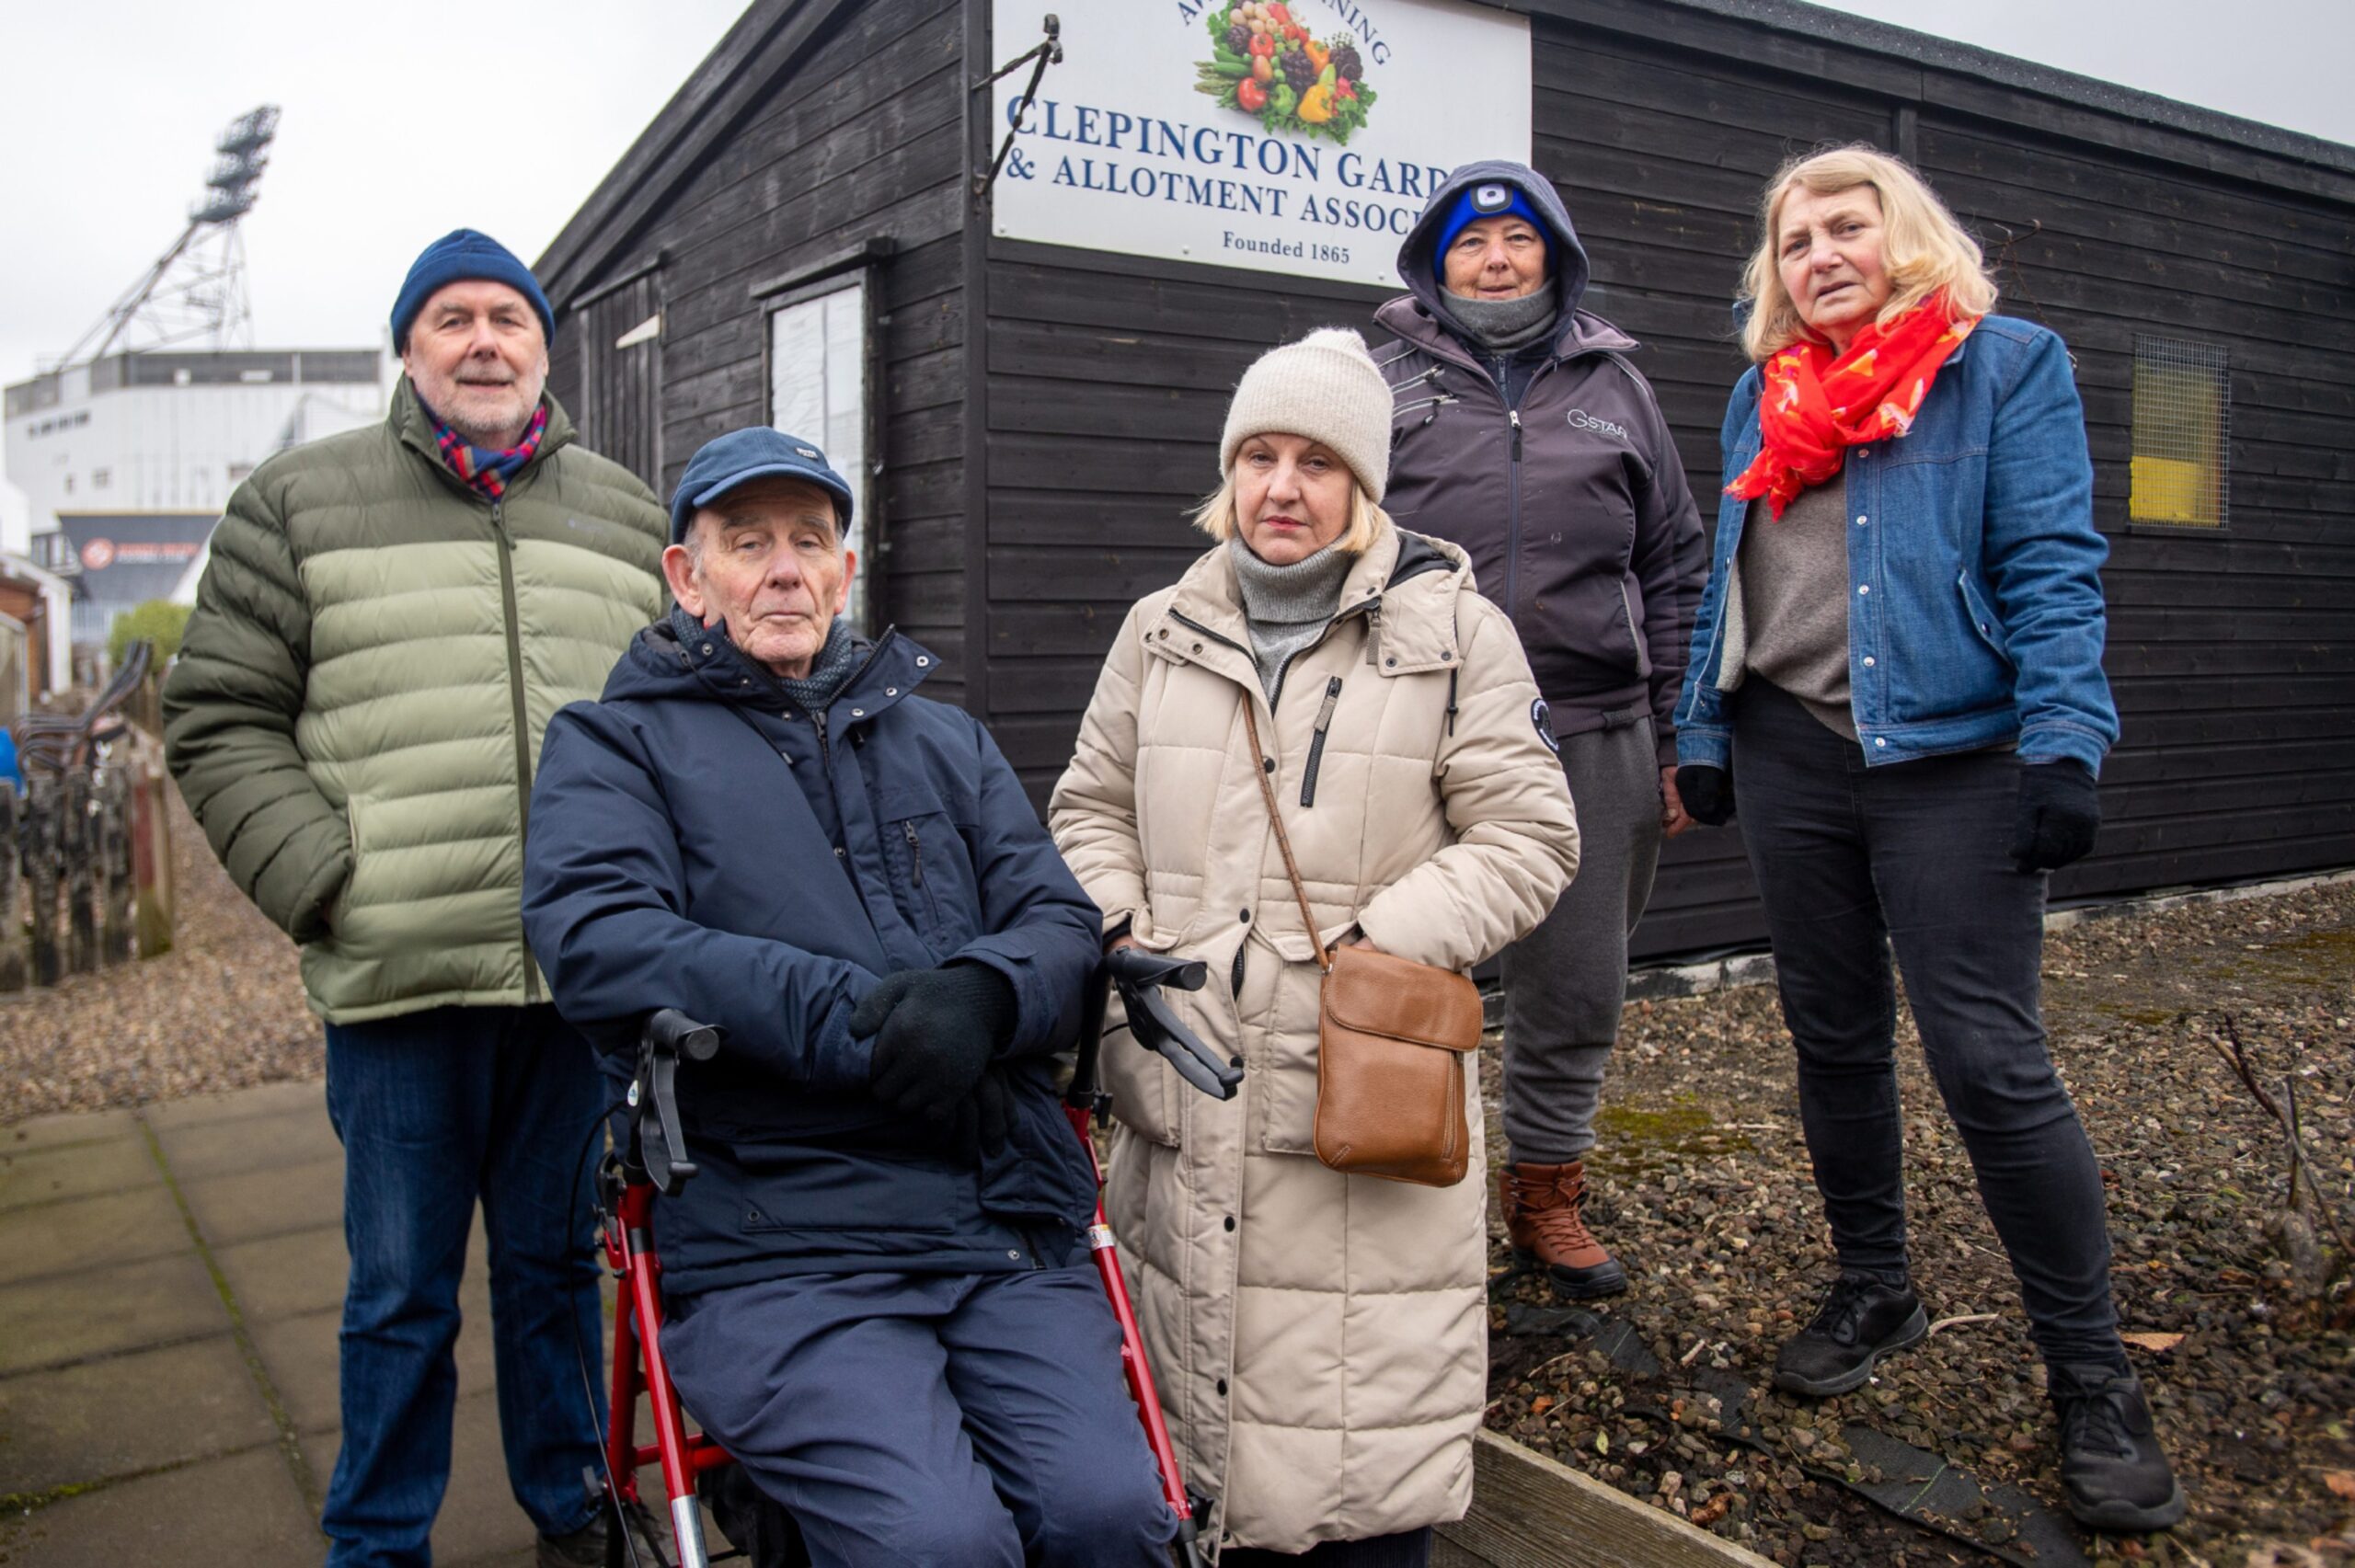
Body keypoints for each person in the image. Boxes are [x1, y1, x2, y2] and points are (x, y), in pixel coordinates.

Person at [519, 428, 1175, 1567]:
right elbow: (599, 940)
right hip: (777, 1230)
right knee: (941, 1542)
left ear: (842, 572)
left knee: (1110, 1516)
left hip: (994, 1211)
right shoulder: (613, 746)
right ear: (688, 575)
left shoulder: (942, 737)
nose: (783, 568)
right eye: (748, 542)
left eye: (809, 541)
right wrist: (866, 1024)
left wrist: (979, 995)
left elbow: (1061, 921)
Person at [1671, 144, 2184, 1532]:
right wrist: (1703, 733)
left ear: (1909, 236)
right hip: (1789, 747)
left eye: (1850, 225)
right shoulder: (1757, 395)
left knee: (1990, 1060)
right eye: (1795, 240)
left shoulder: (2003, 366)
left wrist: (2067, 741)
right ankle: (1875, 1284)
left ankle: (2091, 1375)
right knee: (1829, 1031)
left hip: (1954, 755)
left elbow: (2051, 561)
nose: (1821, 253)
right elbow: (1725, 578)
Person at [161, 229, 668, 1566]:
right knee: (399, 1294)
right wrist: (328, 878)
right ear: (409, 348)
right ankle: (378, 1542)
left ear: (544, 347)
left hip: (572, 982)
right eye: (452, 318)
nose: (484, 339)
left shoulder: (625, 515)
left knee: (557, 1274)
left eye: (509, 315)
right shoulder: (298, 501)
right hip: (397, 980)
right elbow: (217, 717)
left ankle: (571, 1508)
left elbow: (676, 724)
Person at [1051, 328, 1581, 1564]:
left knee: (1358, 1450)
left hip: (1355, 1104)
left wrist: (1367, 947)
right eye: (1258, 456)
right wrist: (1127, 925)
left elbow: (1531, 836)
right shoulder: (1157, 628)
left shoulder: (1457, 633)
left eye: (1317, 463)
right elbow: (1085, 806)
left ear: (1365, 487)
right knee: (1175, 1428)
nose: (1281, 488)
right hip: (1182, 1086)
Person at [1376, 160, 1706, 1298]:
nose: (1497, 259)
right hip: (1415, 727)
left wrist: (1676, 737)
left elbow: (1671, 564)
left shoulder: (1618, 389)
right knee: (1399, 965)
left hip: (1592, 728)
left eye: (1519, 240)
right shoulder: (1375, 379)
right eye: (1473, 245)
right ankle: (1400, 1180)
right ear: (1436, 263)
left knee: (1577, 980)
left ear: (1554, 258)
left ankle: (1545, 1193)